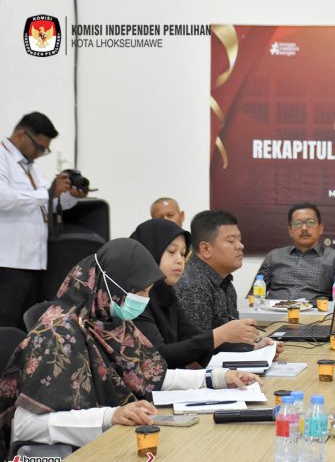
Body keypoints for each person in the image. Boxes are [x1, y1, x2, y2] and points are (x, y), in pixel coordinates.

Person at [0, 239, 259, 454]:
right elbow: (24, 426)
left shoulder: (111, 322)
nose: (145, 299)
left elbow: (150, 376)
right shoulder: (57, 334)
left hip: (110, 444)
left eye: (148, 291)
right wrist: (109, 417)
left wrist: (217, 378)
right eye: (140, 291)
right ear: (111, 286)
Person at [130, 219, 281, 368]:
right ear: (149, 253)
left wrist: (252, 348)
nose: (180, 260)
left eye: (183, 253)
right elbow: (158, 357)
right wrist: (220, 335)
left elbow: (192, 338)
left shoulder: (166, 293)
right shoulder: (135, 298)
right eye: (171, 251)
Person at [0, 112, 84, 329]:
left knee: (24, 325)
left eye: (44, 150)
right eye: (39, 147)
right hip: (8, 262)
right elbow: (3, 198)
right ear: (21, 135)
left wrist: (70, 196)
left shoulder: (31, 167)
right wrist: (47, 193)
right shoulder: (2, 157)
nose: (39, 154)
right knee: (5, 324)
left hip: (33, 261)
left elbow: (47, 202)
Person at [252, 203, 335, 302]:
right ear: (290, 230)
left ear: (321, 228)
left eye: (310, 222)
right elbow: (253, 296)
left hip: (315, 313)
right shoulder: (274, 257)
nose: (304, 228)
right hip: (274, 312)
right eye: (297, 223)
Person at [175, 210, 243, 331]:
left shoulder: (225, 282)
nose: (240, 246)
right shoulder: (191, 285)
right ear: (205, 249)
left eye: (239, 239)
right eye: (231, 241)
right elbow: (197, 341)